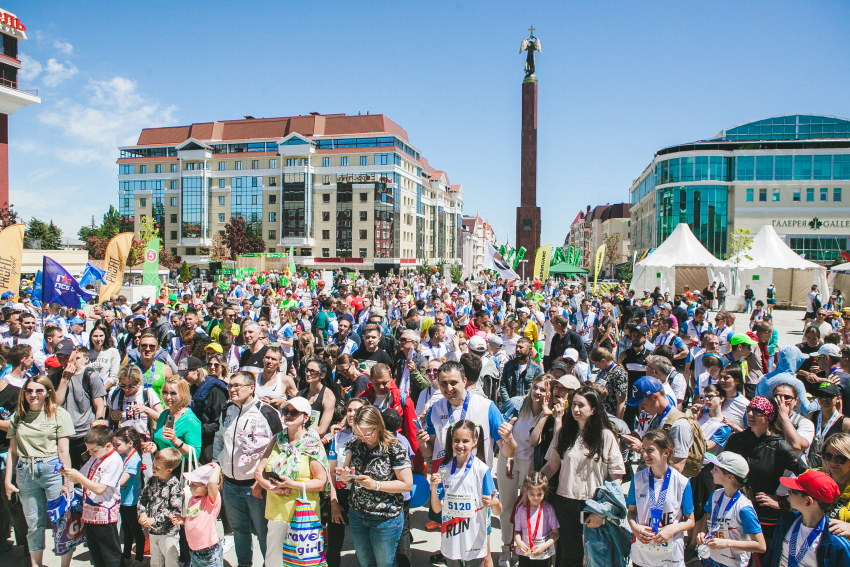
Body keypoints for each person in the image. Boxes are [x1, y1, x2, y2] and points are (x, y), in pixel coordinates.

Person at [541, 385, 625, 567]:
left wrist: (602, 510)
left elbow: (617, 476)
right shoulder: (564, 434)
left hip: (593, 504)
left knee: (595, 556)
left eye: (581, 405)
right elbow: (552, 465)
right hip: (565, 502)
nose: (575, 409)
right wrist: (534, 485)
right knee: (569, 555)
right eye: (573, 405)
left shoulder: (606, 436)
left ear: (593, 410)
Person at [213, 370, 282, 567]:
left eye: (237, 386)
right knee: (239, 530)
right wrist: (217, 466)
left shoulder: (267, 412)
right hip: (230, 485)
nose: (232, 389)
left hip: (255, 486)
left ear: (251, 388)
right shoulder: (227, 410)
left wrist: (263, 481)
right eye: (230, 386)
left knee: (262, 532)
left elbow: (278, 449)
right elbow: (219, 438)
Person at [4, 376, 74, 567]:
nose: (33, 395)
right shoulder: (19, 415)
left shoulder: (59, 414)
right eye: (29, 391)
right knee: (34, 524)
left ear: (48, 392)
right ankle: (36, 564)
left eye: (38, 391)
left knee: (60, 522)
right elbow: (13, 450)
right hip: (26, 470)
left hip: (52, 469)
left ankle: (64, 565)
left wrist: (67, 482)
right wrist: (8, 480)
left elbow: (63, 451)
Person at [334, 405, 413, 567]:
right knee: (365, 561)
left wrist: (376, 485)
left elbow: (406, 484)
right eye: (358, 433)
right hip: (357, 513)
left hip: (385, 517)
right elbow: (348, 475)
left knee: (385, 563)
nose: (362, 438)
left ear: (378, 428)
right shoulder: (354, 443)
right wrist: (345, 477)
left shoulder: (394, 447)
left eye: (367, 434)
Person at [256, 396, 329, 567]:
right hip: (277, 512)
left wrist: (292, 485)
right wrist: (271, 488)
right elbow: (259, 472)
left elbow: (321, 482)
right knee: (274, 561)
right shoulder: (277, 438)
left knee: (303, 562)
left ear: (306, 418)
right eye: (285, 411)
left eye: (294, 412)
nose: (288, 415)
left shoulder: (312, 443)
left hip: (303, 512)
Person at [724, 397, 807, 544]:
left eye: (757, 411)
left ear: (769, 416)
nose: (750, 414)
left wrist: (784, 502)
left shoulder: (779, 445)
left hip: (763, 516)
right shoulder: (736, 440)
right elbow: (720, 471)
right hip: (734, 509)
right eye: (749, 409)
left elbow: (808, 476)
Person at [429, 419, 502, 567]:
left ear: (474, 442)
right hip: (451, 539)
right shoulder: (445, 469)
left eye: (465, 441)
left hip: (474, 539)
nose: (460, 445)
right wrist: (434, 488)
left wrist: (494, 503)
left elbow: (497, 510)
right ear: (451, 441)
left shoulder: (482, 470)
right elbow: (437, 508)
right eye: (456, 440)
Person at [626, 429, 695, 567]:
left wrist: (672, 529)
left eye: (650, 450)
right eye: (644, 449)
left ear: (666, 452)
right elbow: (631, 512)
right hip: (642, 556)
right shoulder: (638, 479)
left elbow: (690, 521)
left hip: (670, 557)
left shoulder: (681, 482)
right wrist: (635, 527)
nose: (645, 454)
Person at [498, 375, 549, 561]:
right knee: (506, 506)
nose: (538, 392)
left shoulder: (547, 414)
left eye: (543, 389)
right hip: (508, 458)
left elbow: (539, 445)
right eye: (536, 387)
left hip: (529, 464)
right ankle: (505, 548)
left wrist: (545, 414)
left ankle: (523, 550)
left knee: (526, 506)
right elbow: (502, 431)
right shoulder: (516, 404)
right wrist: (507, 454)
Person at [59, 424, 124, 567]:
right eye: (88, 450)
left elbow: (100, 489)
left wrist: (78, 477)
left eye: (93, 450)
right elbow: (80, 478)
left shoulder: (114, 460)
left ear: (108, 445)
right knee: (96, 555)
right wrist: (68, 474)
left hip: (104, 516)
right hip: (89, 513)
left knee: (110, 555)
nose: (90, 453)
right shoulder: (96, 457)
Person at [763, 470, 850, 567]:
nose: (788, 492)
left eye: (794, 491)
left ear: (808, 501)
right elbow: (772, 553)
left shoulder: (836, 542)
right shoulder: (786, 521)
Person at [696, 452, 766, 567]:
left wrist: (726, 543)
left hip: (733, 563)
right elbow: (708, 519)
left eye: (716, 469)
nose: (711, 471)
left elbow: (761, 546)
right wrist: (703, 532)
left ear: (730, 477)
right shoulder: (715, 495)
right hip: (711, 559)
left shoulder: (744, 508)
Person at [327, 397, 368, 567]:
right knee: (335, 543)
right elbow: (330, 472)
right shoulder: (339, 438)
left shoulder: (371, 438)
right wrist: (333, 502)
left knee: (363, 544)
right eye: (349, 410)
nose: (351, 414)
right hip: (341, 494)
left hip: (363, 496)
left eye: (356, 411)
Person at [53, 343, 107, 469]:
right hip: (64, 435)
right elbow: (56, 405)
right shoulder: (56, 377)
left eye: (66, 356)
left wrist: (96, 432)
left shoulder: (90, 376)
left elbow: (100, 406)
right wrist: (64, 381)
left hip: (85, 433)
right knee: (69, 473)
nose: (63, 361)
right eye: (59, 357)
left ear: (76, 352)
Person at [138, 448, 183, 567]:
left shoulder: (174, 485)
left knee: (171, 561)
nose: (153, 469)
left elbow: (174, 511)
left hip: (168, 533)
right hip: (153, 531)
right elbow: (143, 498)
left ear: (169, 470)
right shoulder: (152, 480)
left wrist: (154, 520)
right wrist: (142, 513)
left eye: (157, 468)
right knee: (155, 561)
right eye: (153, 465)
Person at [174, 463, 223, 567]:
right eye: (191, 483)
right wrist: (183, 520)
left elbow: (212, 482)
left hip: (209, 551)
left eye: (194, 485)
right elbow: (195, 518)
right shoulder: (193, 499)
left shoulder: (211, 501)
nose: (190, 486)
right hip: (194, 550)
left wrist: (217, 467)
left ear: (206, 487)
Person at [112, 427, 146, 567]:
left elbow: (121, 480)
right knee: (126, 528)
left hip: (132, 500)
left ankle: (139, 559)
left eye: (117, 445)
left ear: (130, 443)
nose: (115, 448)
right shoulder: (123, 455)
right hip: (123, 499)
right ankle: (126, 555)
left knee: (135, 530)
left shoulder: (134, 459)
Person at [150, 376, 202, 461]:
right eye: (165, 393)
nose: (168, 397)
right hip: (163, 470)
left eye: (173, 394)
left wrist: (176, 441)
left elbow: (195, 455)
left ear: (183, 395)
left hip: (180, 471)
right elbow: (163, 443)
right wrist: (154, 446)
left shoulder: (190, 420)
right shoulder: (164, 414)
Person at [513, 472, 559, 567]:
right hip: (525, 553)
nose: (536, 497)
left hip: (543, 553)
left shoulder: (549, 509)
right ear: (526, 492)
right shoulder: (521, 510)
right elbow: (517, 532)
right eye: (532, 494)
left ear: (545, 492)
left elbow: (556, 533)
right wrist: (519, 542)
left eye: (539, 494)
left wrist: (544, 546)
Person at [806, 383, 850, 468]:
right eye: (820, 395)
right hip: (812, 464)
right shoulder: (811, 416)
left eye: (829, 396)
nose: (824, 399)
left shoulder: (845, 423)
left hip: (834, 466)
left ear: (838, 398)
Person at [500, 337, 543, 418]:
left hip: (526, 410)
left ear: (529, 350)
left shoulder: (536, 369)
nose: (517, 349)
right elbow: (503, 386)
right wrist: (509, 402)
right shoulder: (508, 365)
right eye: (517, 347)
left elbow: (537, 390)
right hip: (509, 409)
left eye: (521, 347)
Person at [299, 358, 337, 436]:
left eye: (312, 371)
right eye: (307, 370)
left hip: (319, 441)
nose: (308, 374)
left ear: (322, 375)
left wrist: (300, 424)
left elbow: (321, 430)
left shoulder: (328, 397)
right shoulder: (300, 394)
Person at [88, 323, 121, 390]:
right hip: (89, 390)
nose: (98, 339)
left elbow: (114, 376)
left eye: (101, 336)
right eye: (95, 336)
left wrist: (101, 391)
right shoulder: (87, 353)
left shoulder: (113, 352)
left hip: (106, 391)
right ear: (91, 338)